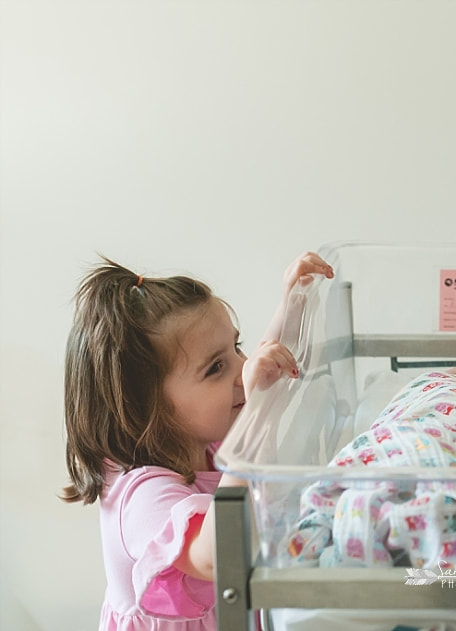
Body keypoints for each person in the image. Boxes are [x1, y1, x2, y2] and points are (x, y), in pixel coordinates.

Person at [62, 251, 334, 631]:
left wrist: (293, 304)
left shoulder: (205, 443)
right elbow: (219, 553)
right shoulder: (143, 499)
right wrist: (256, 412)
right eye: (216, 367)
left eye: (236, 347)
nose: (243, 369)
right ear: (147, 408)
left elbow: (257, 374)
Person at [283, 366, 456, 571]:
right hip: (412, 442)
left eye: (452, 377)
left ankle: (354, 533)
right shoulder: (421, 406)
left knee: (362, 494)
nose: (443, 379)